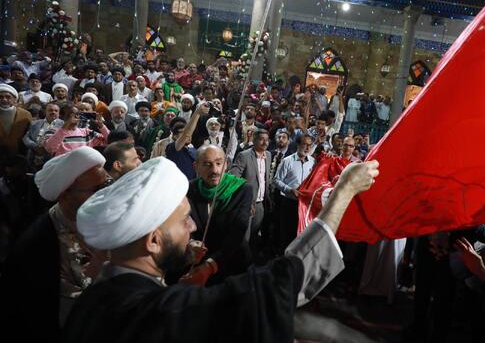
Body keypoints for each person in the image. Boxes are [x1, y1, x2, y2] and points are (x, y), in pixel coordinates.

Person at [63, 156, 379, 343]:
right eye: (184, 220)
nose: (192, 227)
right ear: (153, 241)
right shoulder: (162, 313)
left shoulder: (96, 297)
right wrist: (343, 192)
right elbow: (275, 289)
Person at [0, 147, 110, 342]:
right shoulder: (38, 245)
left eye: (107, 184)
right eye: (97, 189)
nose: (106, 194)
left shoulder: (100, 218)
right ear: (65, 196)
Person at [186, 145, 253, 283]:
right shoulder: (189, 189)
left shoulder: (242, 189)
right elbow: (183, 223)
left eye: (219, 163)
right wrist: (191, 243)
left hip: (232, 263)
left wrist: (211, 265)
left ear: (226, 164)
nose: (215, 170)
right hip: (198, 264)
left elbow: (237, 233)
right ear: (196, 166)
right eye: (207, 164)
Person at [230, 129, 272, 249]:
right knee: (244, 238)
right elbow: (234, 178)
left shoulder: (268, 155)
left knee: (254, 236)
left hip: (260, 203)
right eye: (261, 139)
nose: (265, 143)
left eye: (267, 140)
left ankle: (252, 258)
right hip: (246, 204)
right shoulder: (244, 155)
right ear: (254, 140)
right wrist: (245, 201)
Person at [273, 134, 316, 249]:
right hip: (289, 203)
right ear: (298, 145)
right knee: (287, 234)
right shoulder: (287, 161)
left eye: (309, 145)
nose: (307, 148)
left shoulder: (313, 162)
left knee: (302, 235)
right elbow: (276, 180)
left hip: (306, 206)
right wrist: (290, 190)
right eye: (304, 144)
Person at [44, 103, 109, 156]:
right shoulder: (52, 131)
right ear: (62, 117)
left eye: (77, 114)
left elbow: (109, 140)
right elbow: (49, 149)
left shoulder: (86, 132)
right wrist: (65, 127)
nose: (75, 117)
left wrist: (101, 126)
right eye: (70, 115)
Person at [22, 101, 63, 169]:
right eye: (50, 110)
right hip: (34, 157)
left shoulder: (63, 125)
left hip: (54, 160)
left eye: (56, 111)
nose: (53, 112)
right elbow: (26, 138)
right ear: (45, 111)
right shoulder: (35, 123)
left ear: (59, 113)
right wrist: (35, 146)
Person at [0, 84, 32, 156]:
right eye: (0, 97)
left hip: (20, 156)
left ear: (15, 99)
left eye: (8, 97)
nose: (4, 99)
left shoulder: (25, 114)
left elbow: (30, 136)